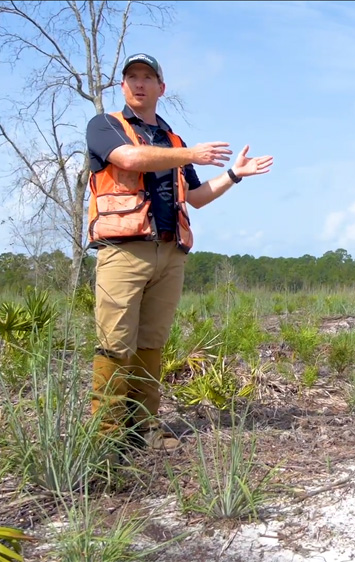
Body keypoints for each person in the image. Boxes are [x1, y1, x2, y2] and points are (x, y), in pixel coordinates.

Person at [85, 52, 273, 452]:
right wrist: (191, 154)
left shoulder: (173, 141)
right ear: (122, 86)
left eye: (147, 78)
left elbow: (198, 197)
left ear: (161, 88)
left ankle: (145, 429)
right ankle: (105, 438)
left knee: (151, 342)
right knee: (115, 343)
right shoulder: (106, 126)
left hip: (170, 253)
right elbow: (130, 159)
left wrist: (234, 174)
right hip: (123, 252)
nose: (139, 83)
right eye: (131, 77)